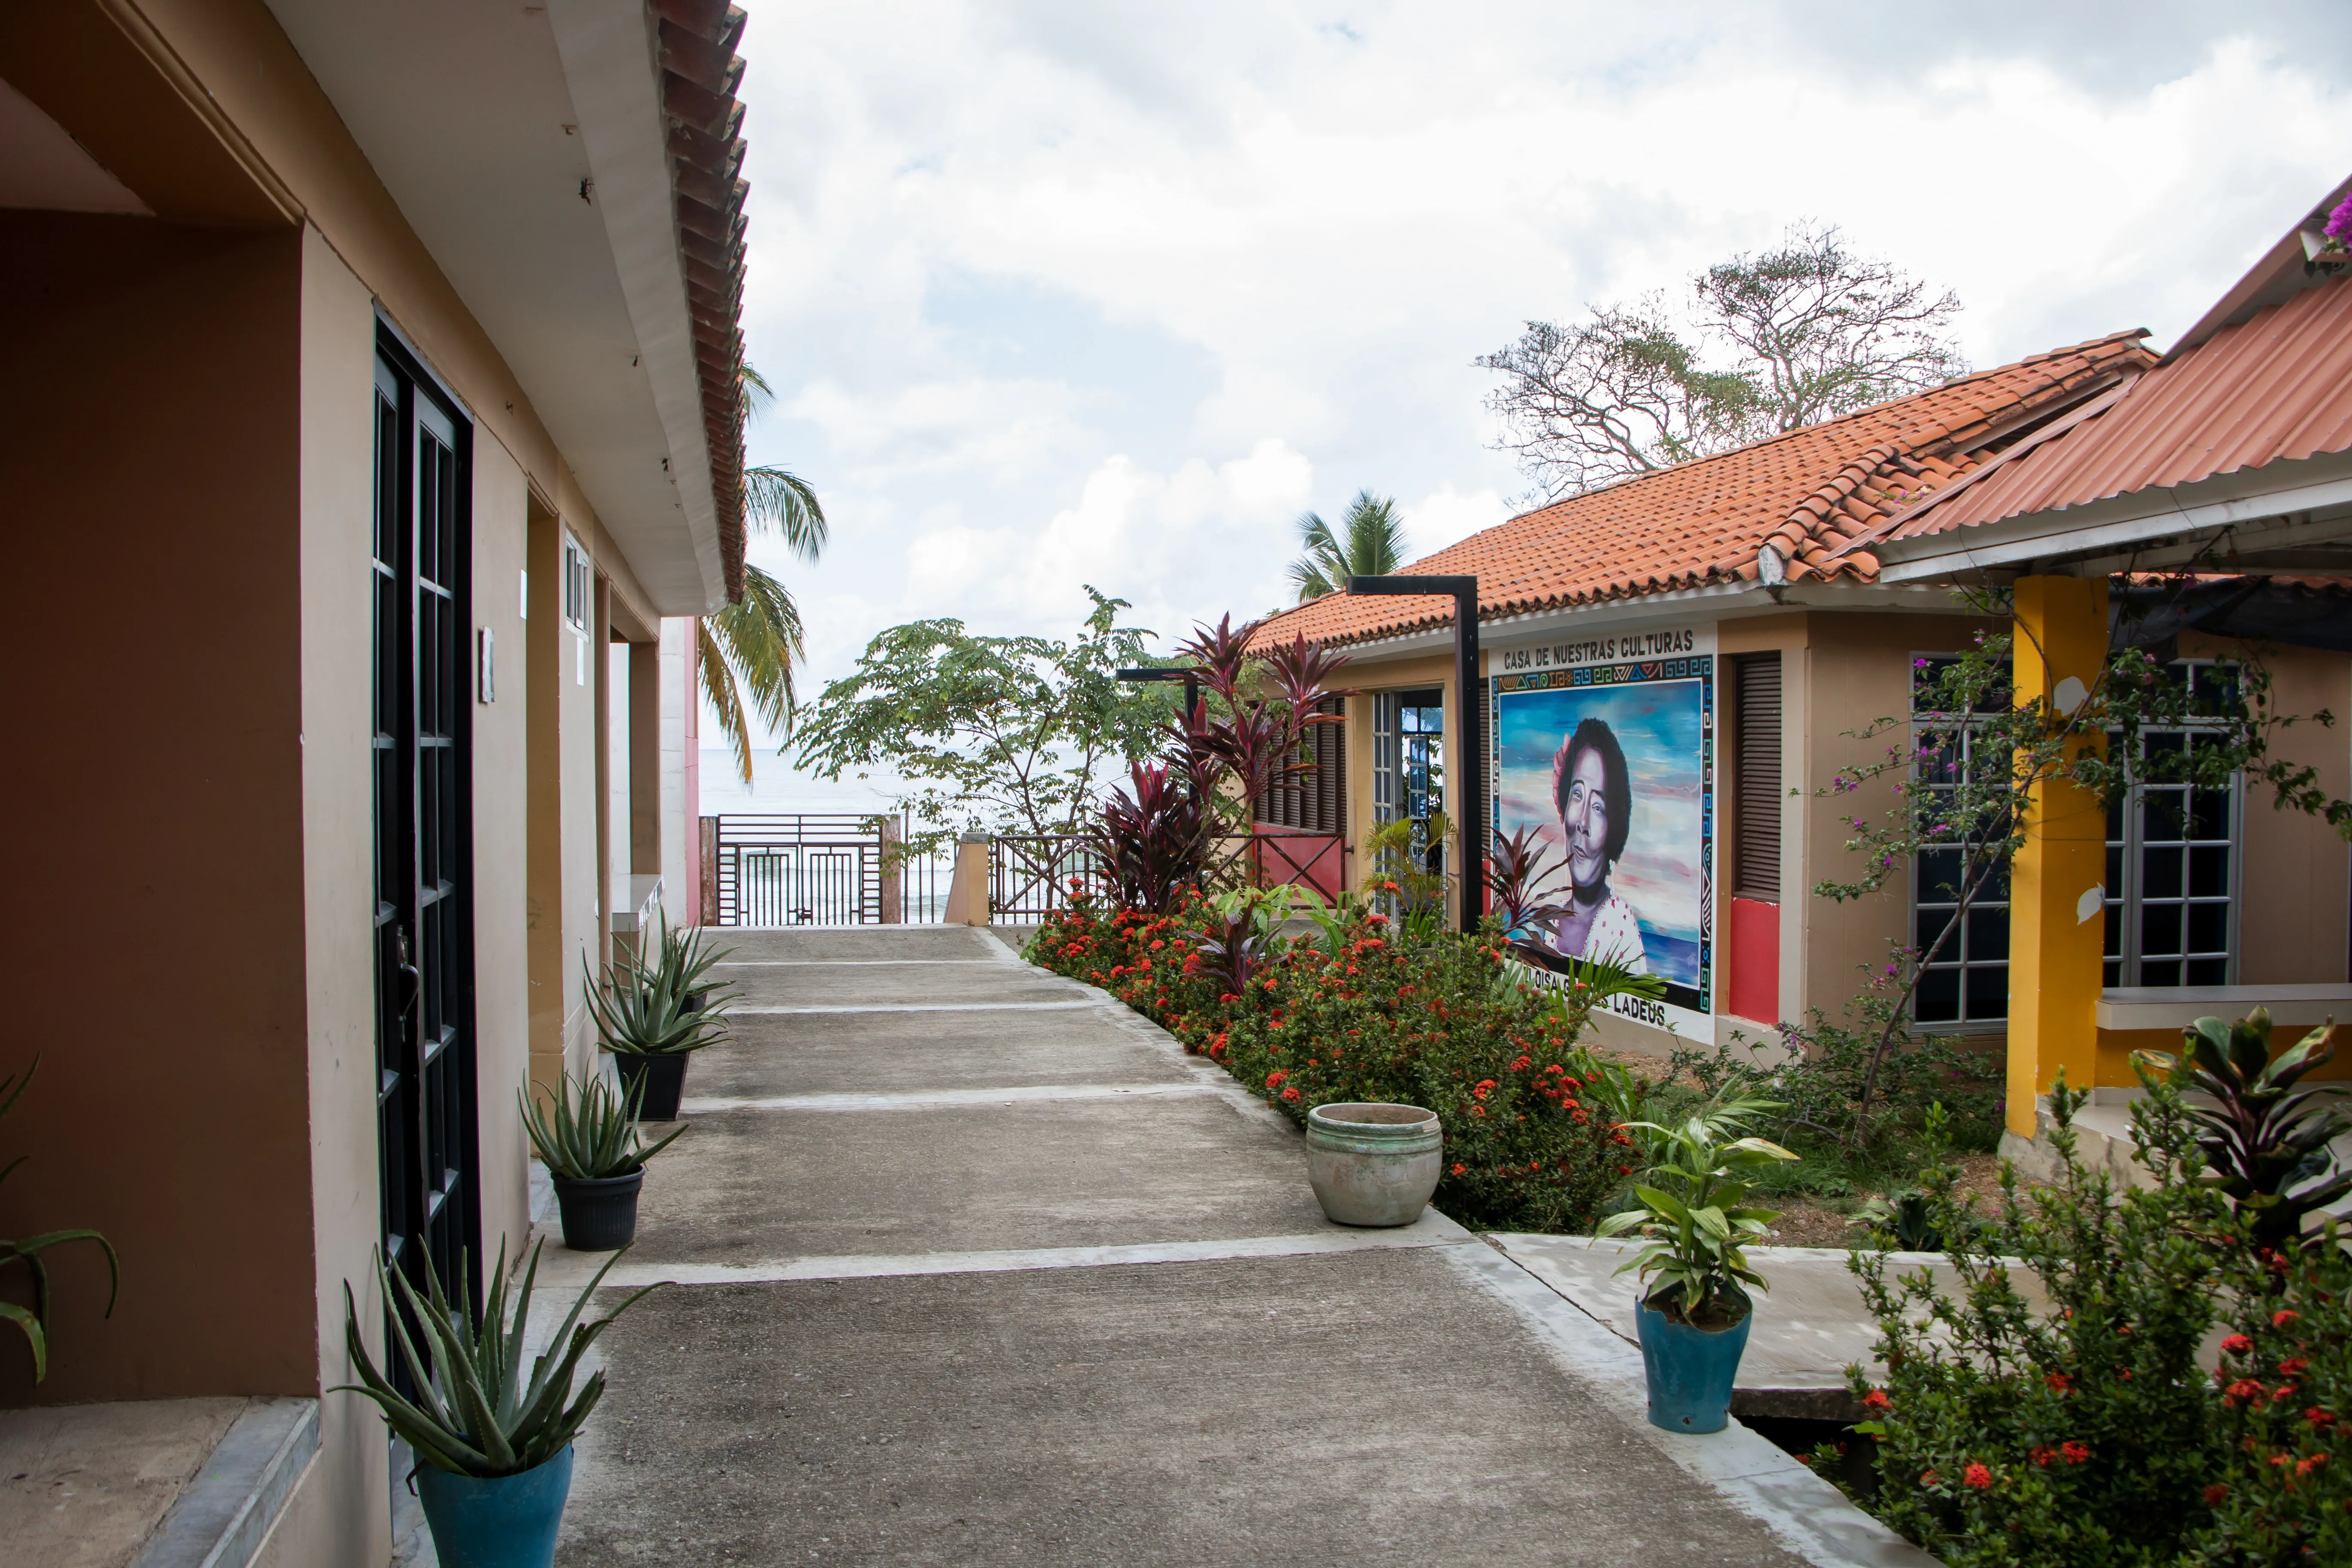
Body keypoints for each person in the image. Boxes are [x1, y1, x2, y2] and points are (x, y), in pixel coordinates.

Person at [1550, 718, 1648, 972]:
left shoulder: (1620, 927)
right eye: (1578, 794)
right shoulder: (1547, 922)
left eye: (1598, 807)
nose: (1583, 822)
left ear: (1614, 830)